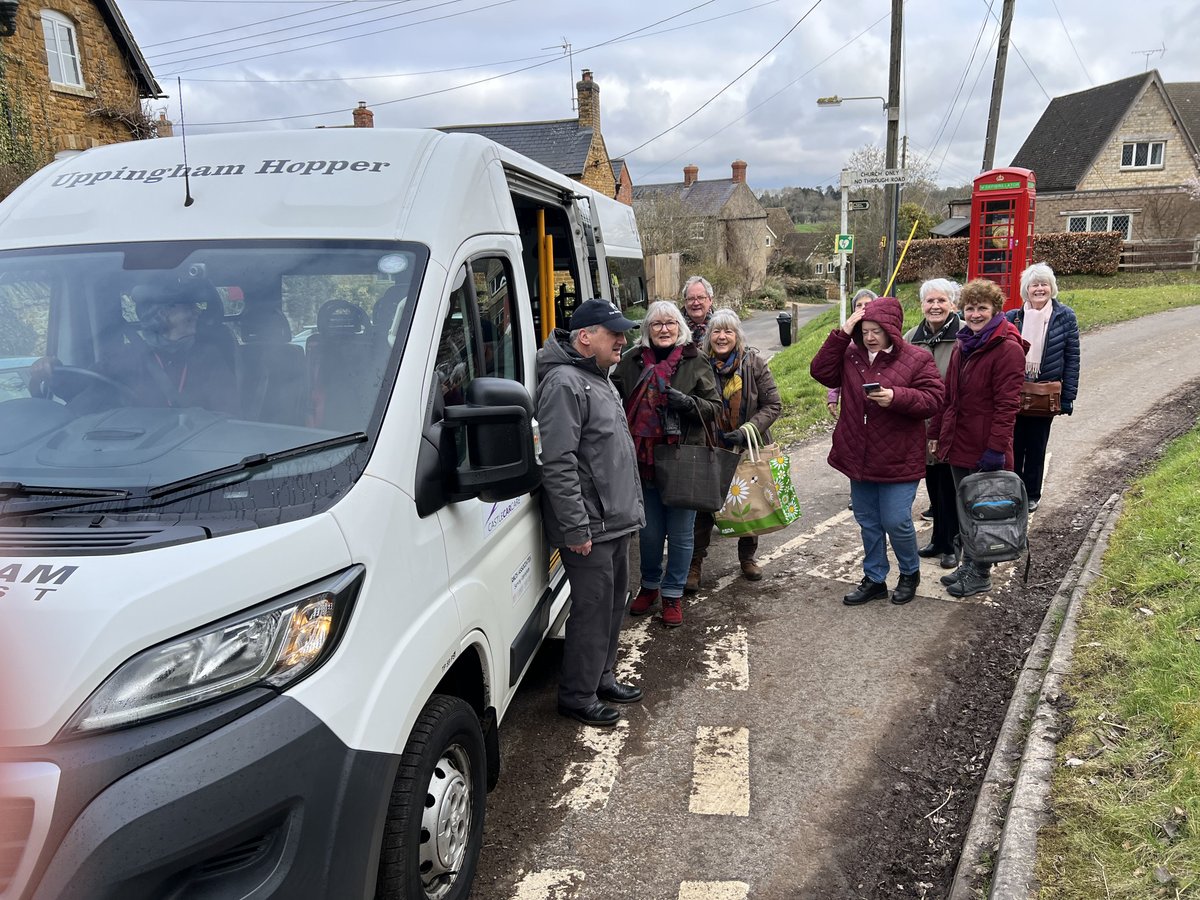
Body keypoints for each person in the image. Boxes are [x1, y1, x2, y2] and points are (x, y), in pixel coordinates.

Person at [535, 298, 647, 728]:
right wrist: (575, 526)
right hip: (590, 526)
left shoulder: (595, 377)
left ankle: (602, 677)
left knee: (614, 602)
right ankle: (577, 695)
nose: (623, 340)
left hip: (613, 520)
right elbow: (558, 463)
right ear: (586, 337)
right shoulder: (565, 383)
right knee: (592, 609)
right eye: (614, 333)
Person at [810, 296, 945, 606]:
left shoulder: (916, 358)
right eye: (865, 330)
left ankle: (909, 573)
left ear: (892, 330)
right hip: (859, 454)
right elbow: (820, 371)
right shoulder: (851, 354)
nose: (869, 337)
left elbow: (935, 399)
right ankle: (874, 578)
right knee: (868, 521)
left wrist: (895, 397)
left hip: (899, 455)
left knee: (896, 520)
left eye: (876, 331)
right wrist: (843, 332)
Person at [613, 300, 721, 627]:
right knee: (648, 533)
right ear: (647, 329)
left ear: (680, 328)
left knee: (681, 533)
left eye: (670, 324)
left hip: (682, 459)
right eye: (657, 324)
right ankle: (649, 586)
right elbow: (612, 402)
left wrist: (688, 403)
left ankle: (672, 593)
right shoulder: (630, 362)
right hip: (642, 461)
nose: (664, 329)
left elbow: (714, 407)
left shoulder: (695, 360)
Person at [931, 278, 1027, 598]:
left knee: (984, 512)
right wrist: (935, 433)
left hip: (986, 444)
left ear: (995, 310)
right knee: (967, 509)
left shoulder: (1008, 349)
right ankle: (971, 563)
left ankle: (981, 573)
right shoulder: (964, 344)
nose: (974, 314)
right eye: (970, 308)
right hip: (960, 442)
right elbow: (948, 396)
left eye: (982, 308)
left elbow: (1007, 406)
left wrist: (996, 449)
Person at [30, 280, 240, 416]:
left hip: (191, 455)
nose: (196, 312)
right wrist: (52, 370)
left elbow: (228, 413)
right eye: (187, 306)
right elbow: (82, 390)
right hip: (133, 453)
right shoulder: (124, 356)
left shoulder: (208, 355)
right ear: (162, 314)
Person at [689, 309, 783, 588]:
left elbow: (773, 404)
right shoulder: (698, 363)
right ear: (709, 336)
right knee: (703, 510)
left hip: (746, 448)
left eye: (728, 331)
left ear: (737, 336)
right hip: (709, 446)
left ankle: (747, 558)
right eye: (716, 331)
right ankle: (694, 564)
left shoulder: (753, 363)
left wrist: (746, 431)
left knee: (748, 502)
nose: (722, 337)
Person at [1005, 263, 1081, 512]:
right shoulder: (1013, 317)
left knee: (1036, 446)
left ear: (1052, 288)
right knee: (1014, 445)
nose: (1039, 289)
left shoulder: (1065, 316)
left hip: (1044, 394)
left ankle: (1032, 493)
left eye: (1044, 284)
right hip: (1015, 393)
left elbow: (1072, 358)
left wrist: (1068, 397)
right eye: (1034, 284)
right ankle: (1014, 491)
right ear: (1026, 290)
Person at [905, 279, 962, 570]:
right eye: (930, 301)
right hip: (922, 425)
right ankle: (939, 538)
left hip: (953, 424)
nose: (935, 306)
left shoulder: (963, 335)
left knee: (951, 487)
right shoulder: (912, 336)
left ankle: (954, 542)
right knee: (933, 485)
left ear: (953, 304)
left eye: (941, 301)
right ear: (922, 305)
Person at [825, 289, 878, 419]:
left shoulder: (884, 336)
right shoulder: (847, 339)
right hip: (852, 404)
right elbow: (837, 370)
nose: (863, 308)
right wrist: (832, 397)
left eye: (867, 304)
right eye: (859, 305)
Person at [680, 274, 715, 343]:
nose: (696, 303)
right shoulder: (676, 327)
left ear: (710, 300)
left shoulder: (720, 326)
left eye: (700, 298)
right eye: (691, 298)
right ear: (685, 302)